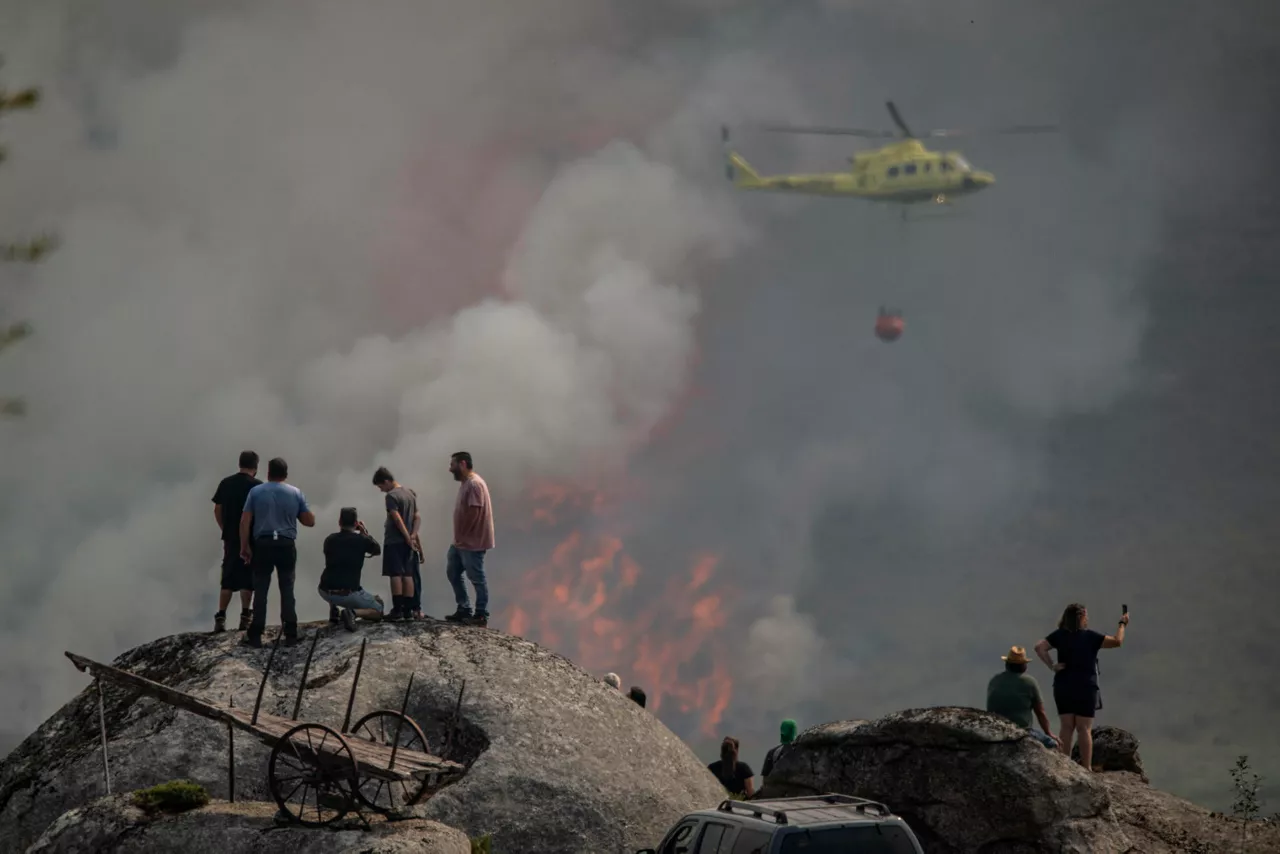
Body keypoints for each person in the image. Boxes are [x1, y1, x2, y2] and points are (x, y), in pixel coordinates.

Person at [1034, 603, 1129, 770]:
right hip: (1085, 686)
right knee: (1084, 729)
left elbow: (1039, 647)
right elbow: (1117, 641)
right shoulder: (1090, 637)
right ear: (1082, 618)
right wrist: (1122, 624)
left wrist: (1052, 665)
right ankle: (1086, 768)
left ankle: (1064, 766)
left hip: (1063, 685)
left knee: (1066, 726)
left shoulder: (1059, 635)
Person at [239, 457, 315, 647]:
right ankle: (290, 632)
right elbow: (309, 521)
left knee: (261, 588)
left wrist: (244, 547)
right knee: (287, 588)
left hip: (263, 544)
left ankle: (255, 633)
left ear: (268, 473)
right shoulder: (295, 493)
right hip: (285, 544)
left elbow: (245, 521)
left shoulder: (255, 492)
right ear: (285, 474)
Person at [211, 451, 261, 633]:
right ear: (255, 467)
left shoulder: (226, 483)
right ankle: (245, 616)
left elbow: (217, 508)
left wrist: (224, 528)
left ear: (239, 464)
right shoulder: (258, 487)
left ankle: (221, 615)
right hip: (251, 537)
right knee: (248, 579)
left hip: (230, 537)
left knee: (228, 577)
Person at [444, 451, 494, 627]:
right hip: (461, 542)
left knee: (477, 577)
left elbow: (474, 511)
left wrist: (464, 534)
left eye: (453, 465)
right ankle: (464, 608)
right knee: (453, 571)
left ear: (463, 464)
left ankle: (480, 615)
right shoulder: (466, 483)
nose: (450, 469)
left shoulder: (474, 484)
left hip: (472, 543)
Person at [318, 507, 385, 632]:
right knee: (378, 609)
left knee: (334, 572)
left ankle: (333, 611)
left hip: (324, 591)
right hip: (348, 593)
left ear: (339, 522)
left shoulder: (330, 539)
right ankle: (352, 613)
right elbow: (377, 550)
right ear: (356, 524)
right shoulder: (361, 540)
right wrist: (364, 533)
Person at [986, 646, 1061, 750]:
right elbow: (1040, 712)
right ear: (1023, 666)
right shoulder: (1029, 682)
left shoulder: (994, 680)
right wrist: (1048, 733)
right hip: (1021, 731)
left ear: (1007, 664)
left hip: (996, 728)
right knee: (1053, 744)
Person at [372, 467, 421, 622]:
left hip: (394, 540)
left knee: (395, 574)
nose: (381, 490)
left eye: (381, 486)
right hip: (409, 542)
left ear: (386, 481)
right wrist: (413, 536)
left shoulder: (391, 496)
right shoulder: (409, 494)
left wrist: (406, 536)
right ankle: (408, 611)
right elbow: (417, 517)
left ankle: (397, 609)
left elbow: (396, 518)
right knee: (408, 574)